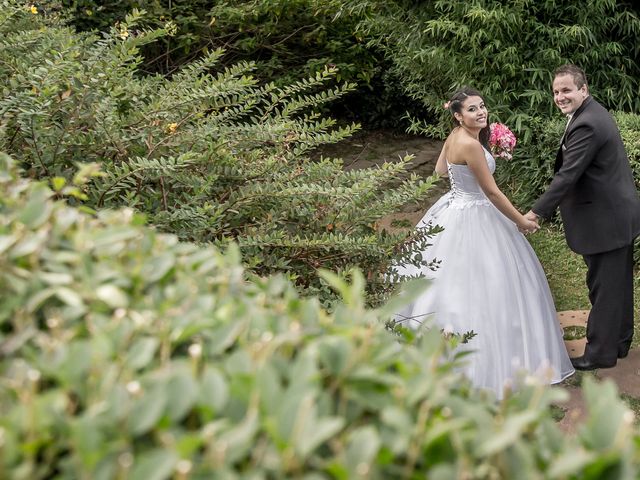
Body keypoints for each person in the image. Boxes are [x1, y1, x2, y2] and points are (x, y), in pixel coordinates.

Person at [393, 87, 574, 399]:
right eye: (473, 109)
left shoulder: (454, 137)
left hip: (453, 207)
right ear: (458, 115)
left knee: (445, 278)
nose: (481, 112)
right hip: (476, 211)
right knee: (487, 281)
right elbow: (491, 193)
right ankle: (485, 365)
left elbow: (440, 170)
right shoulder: (470, 145)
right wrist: (520, 220)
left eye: (482, 106)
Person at [525, 64, 640, 371]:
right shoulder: (590, 114)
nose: (560, 97)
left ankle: (600, 353)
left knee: (603, 286)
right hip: (615, 215)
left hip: (606, 220)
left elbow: (567, 176)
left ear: (583, 90)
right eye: (556, 91)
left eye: (566, 90)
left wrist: (536, 212)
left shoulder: (587, 123)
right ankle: (619, 342)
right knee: (615, 284)